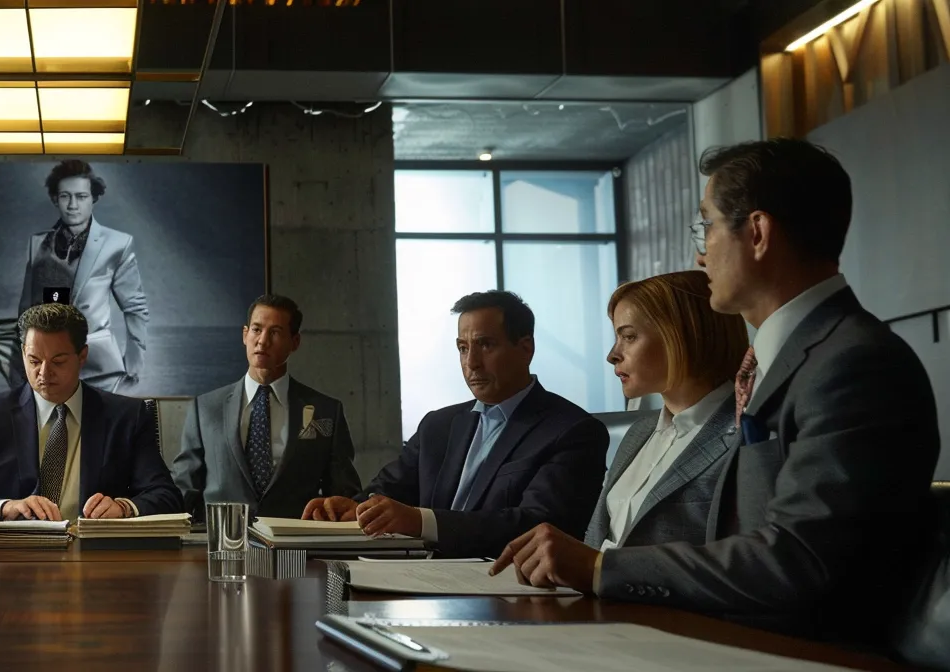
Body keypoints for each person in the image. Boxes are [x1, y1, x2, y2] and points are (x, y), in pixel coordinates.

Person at [489, 139, 939, 647]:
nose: (699, 253)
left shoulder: (852, 363)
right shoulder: (783, 361)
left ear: (758, 232)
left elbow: (799, 558)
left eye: (707, 226)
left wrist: (600, 567)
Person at [303, 291, 609, 559]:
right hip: (416, 577)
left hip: (507, 589)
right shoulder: (439, 425)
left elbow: (539, 526)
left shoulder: (573, 431)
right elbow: (388, 490)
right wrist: (353, 509)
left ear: (526, 348)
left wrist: (421, 521)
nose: (471, 362)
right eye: (463, 348)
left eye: (485, 345)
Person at [0, 303, 181, 535]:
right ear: (23, 353)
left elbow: (167, 497)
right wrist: (6, 508)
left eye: (58, 362)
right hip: (10, 556)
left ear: (82, 356)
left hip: (96, 557)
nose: (44, 373)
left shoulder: (126, 416)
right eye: (34, 361)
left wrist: (123, 508)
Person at [581, 270, 746, 550]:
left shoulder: (748, 435)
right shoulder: (639, 433)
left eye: (629, 336)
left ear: (684, 335)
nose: (612, 355)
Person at [171, 294, 361, 519]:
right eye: (256, 330)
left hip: (296, 537)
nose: (262, 341)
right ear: (245, 335)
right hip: (223, 536)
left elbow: (344, 496)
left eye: (275, 332)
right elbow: (184, 489)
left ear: (295, 342)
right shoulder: (205, 408)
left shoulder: (326, 411)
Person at [14, 159, 150, 394]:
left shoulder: (116, 244)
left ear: (93, 198)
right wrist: (18, 367)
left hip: (99, 369)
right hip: (45, 370)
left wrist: (134, 367)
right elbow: (25, 313)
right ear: (55, 199)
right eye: (65, 196)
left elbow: (135, 308)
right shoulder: (38, 244)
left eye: (81, 196)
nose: (72, 205)